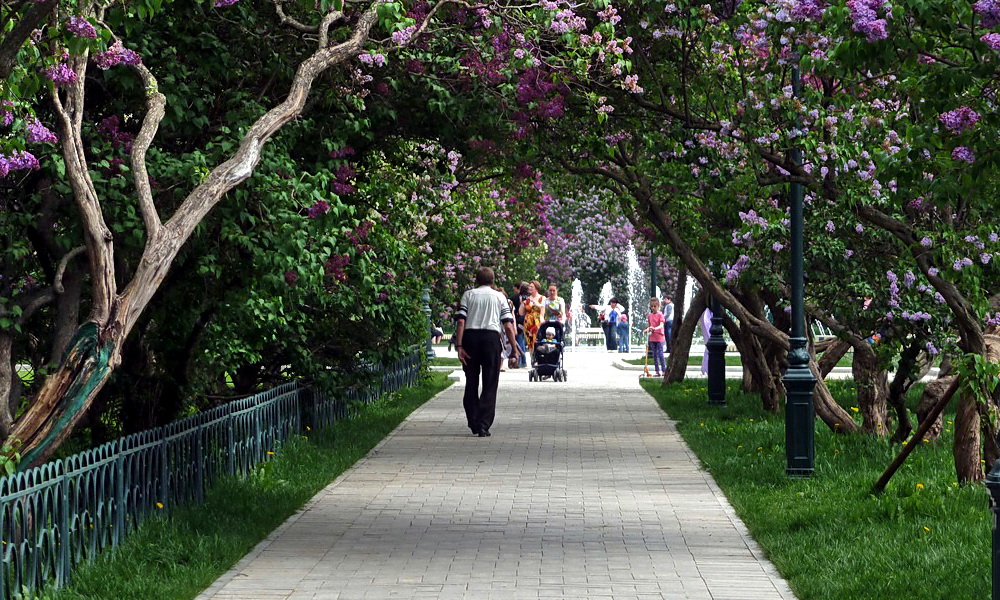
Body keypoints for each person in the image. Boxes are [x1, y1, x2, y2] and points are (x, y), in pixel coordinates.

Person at [455, 267, 520, 437]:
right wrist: (514, 348)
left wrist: (460, 346)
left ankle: (473, 421)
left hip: (470, 339)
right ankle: (484, 424)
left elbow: (461, 322)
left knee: (471, 382)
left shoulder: (468, 295)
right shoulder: (500, 297)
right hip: (491, 340)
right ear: (493, 280)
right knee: (490, 383)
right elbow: (507, 324)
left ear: (476, 280)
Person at [519, 280, 544, 352]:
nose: (529, 288)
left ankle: (537, 359)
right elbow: (521, 313)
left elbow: (543, 310)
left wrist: (537, 304)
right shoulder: (527, 299)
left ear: (536, 288)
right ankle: (531, 360)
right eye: (529, 286)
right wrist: (522, 303)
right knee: (530, 344)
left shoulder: (542, 298)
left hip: (537, 323)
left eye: (531, 287)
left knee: (537, 341)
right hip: (528, 324)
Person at [644, 297, 666, 377]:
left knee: (660, 354)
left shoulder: (660, 315)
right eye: (652, 306)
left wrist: (654, 328)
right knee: (654, 355)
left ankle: (664, 370)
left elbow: (661, 325)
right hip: (652, 338)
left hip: (659, 337)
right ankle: (657, 371)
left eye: (655, 306)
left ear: (658, 306)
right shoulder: (650, 316)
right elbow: (649, 326)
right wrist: (647, 330)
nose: (653, 308)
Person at [509, 282, 528, 367]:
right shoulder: (529, 298)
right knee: (522, 340)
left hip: (518, 321)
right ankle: (523, 360)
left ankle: (520, 361)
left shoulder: (514, 298)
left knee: (519, 340)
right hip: (528, 321)